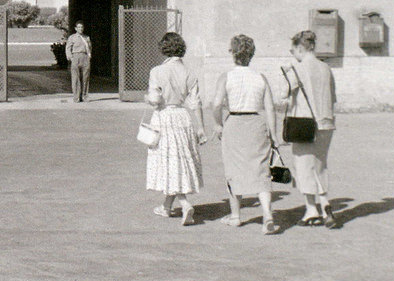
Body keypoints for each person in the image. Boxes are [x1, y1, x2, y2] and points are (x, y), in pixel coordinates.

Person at [212, 34, 281, 235]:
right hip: (256, 124)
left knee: (234, 170)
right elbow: (270, 108)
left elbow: (216, 104)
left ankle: (236, 216)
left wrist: (217, 124)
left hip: (234, 123)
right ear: (251, 54)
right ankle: (267, 215)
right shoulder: (260, 78)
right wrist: (273, 133)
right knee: (261, 169)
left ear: (233, 53)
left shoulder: (226, 77)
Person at [145, 31, 206, 226]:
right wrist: (201, 128)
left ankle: (185, 203)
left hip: (164, 117)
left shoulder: (157, 71)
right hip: (182, 117)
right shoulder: (189, 72)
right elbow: (195, 103)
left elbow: (155, 100)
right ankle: (166, 207)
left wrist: (148, 98)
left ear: (164, 49)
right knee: (178, 161)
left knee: (170, 162)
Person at [284, 30, 339, 228]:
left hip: (304, 123)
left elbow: (285, 94)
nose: (293, 55)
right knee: (320, 165)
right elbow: (333, 98)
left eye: (293, 51)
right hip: (326, 122)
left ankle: (312, 209)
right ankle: (325, 204)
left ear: (300, 48)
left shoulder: (296, 68)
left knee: (303, 166)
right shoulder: (326, 68)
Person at [65, 20, 91, 102]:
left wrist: (89, 56)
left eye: (82, 27)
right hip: (76, 56)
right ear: (76, 28)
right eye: (79, 27)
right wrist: (70, 57)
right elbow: (68, 48)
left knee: (85, 77)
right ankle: (76, 97)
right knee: (76, 78)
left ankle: (84, 96)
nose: (80, 29)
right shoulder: (72, 37)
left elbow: (90, 48)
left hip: (85, 57)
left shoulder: (87, 37)